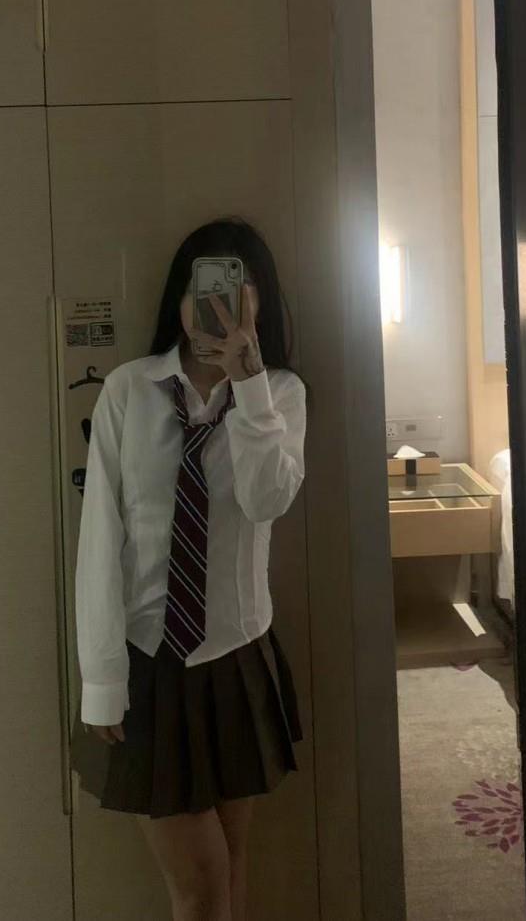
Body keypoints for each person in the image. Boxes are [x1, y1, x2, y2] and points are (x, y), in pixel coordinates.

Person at [70, 217, 306, 921]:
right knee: (200, 889)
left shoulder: (281, 394)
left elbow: (267, 500)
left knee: (230, 871)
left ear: (261, 301)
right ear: (178, 298)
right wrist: (102, 678)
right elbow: (100, 537)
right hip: (149, 664)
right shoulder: (128, 389)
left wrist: (250, 384)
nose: (218, 303)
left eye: (238, 285)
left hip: (236, 660)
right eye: (202, 286)